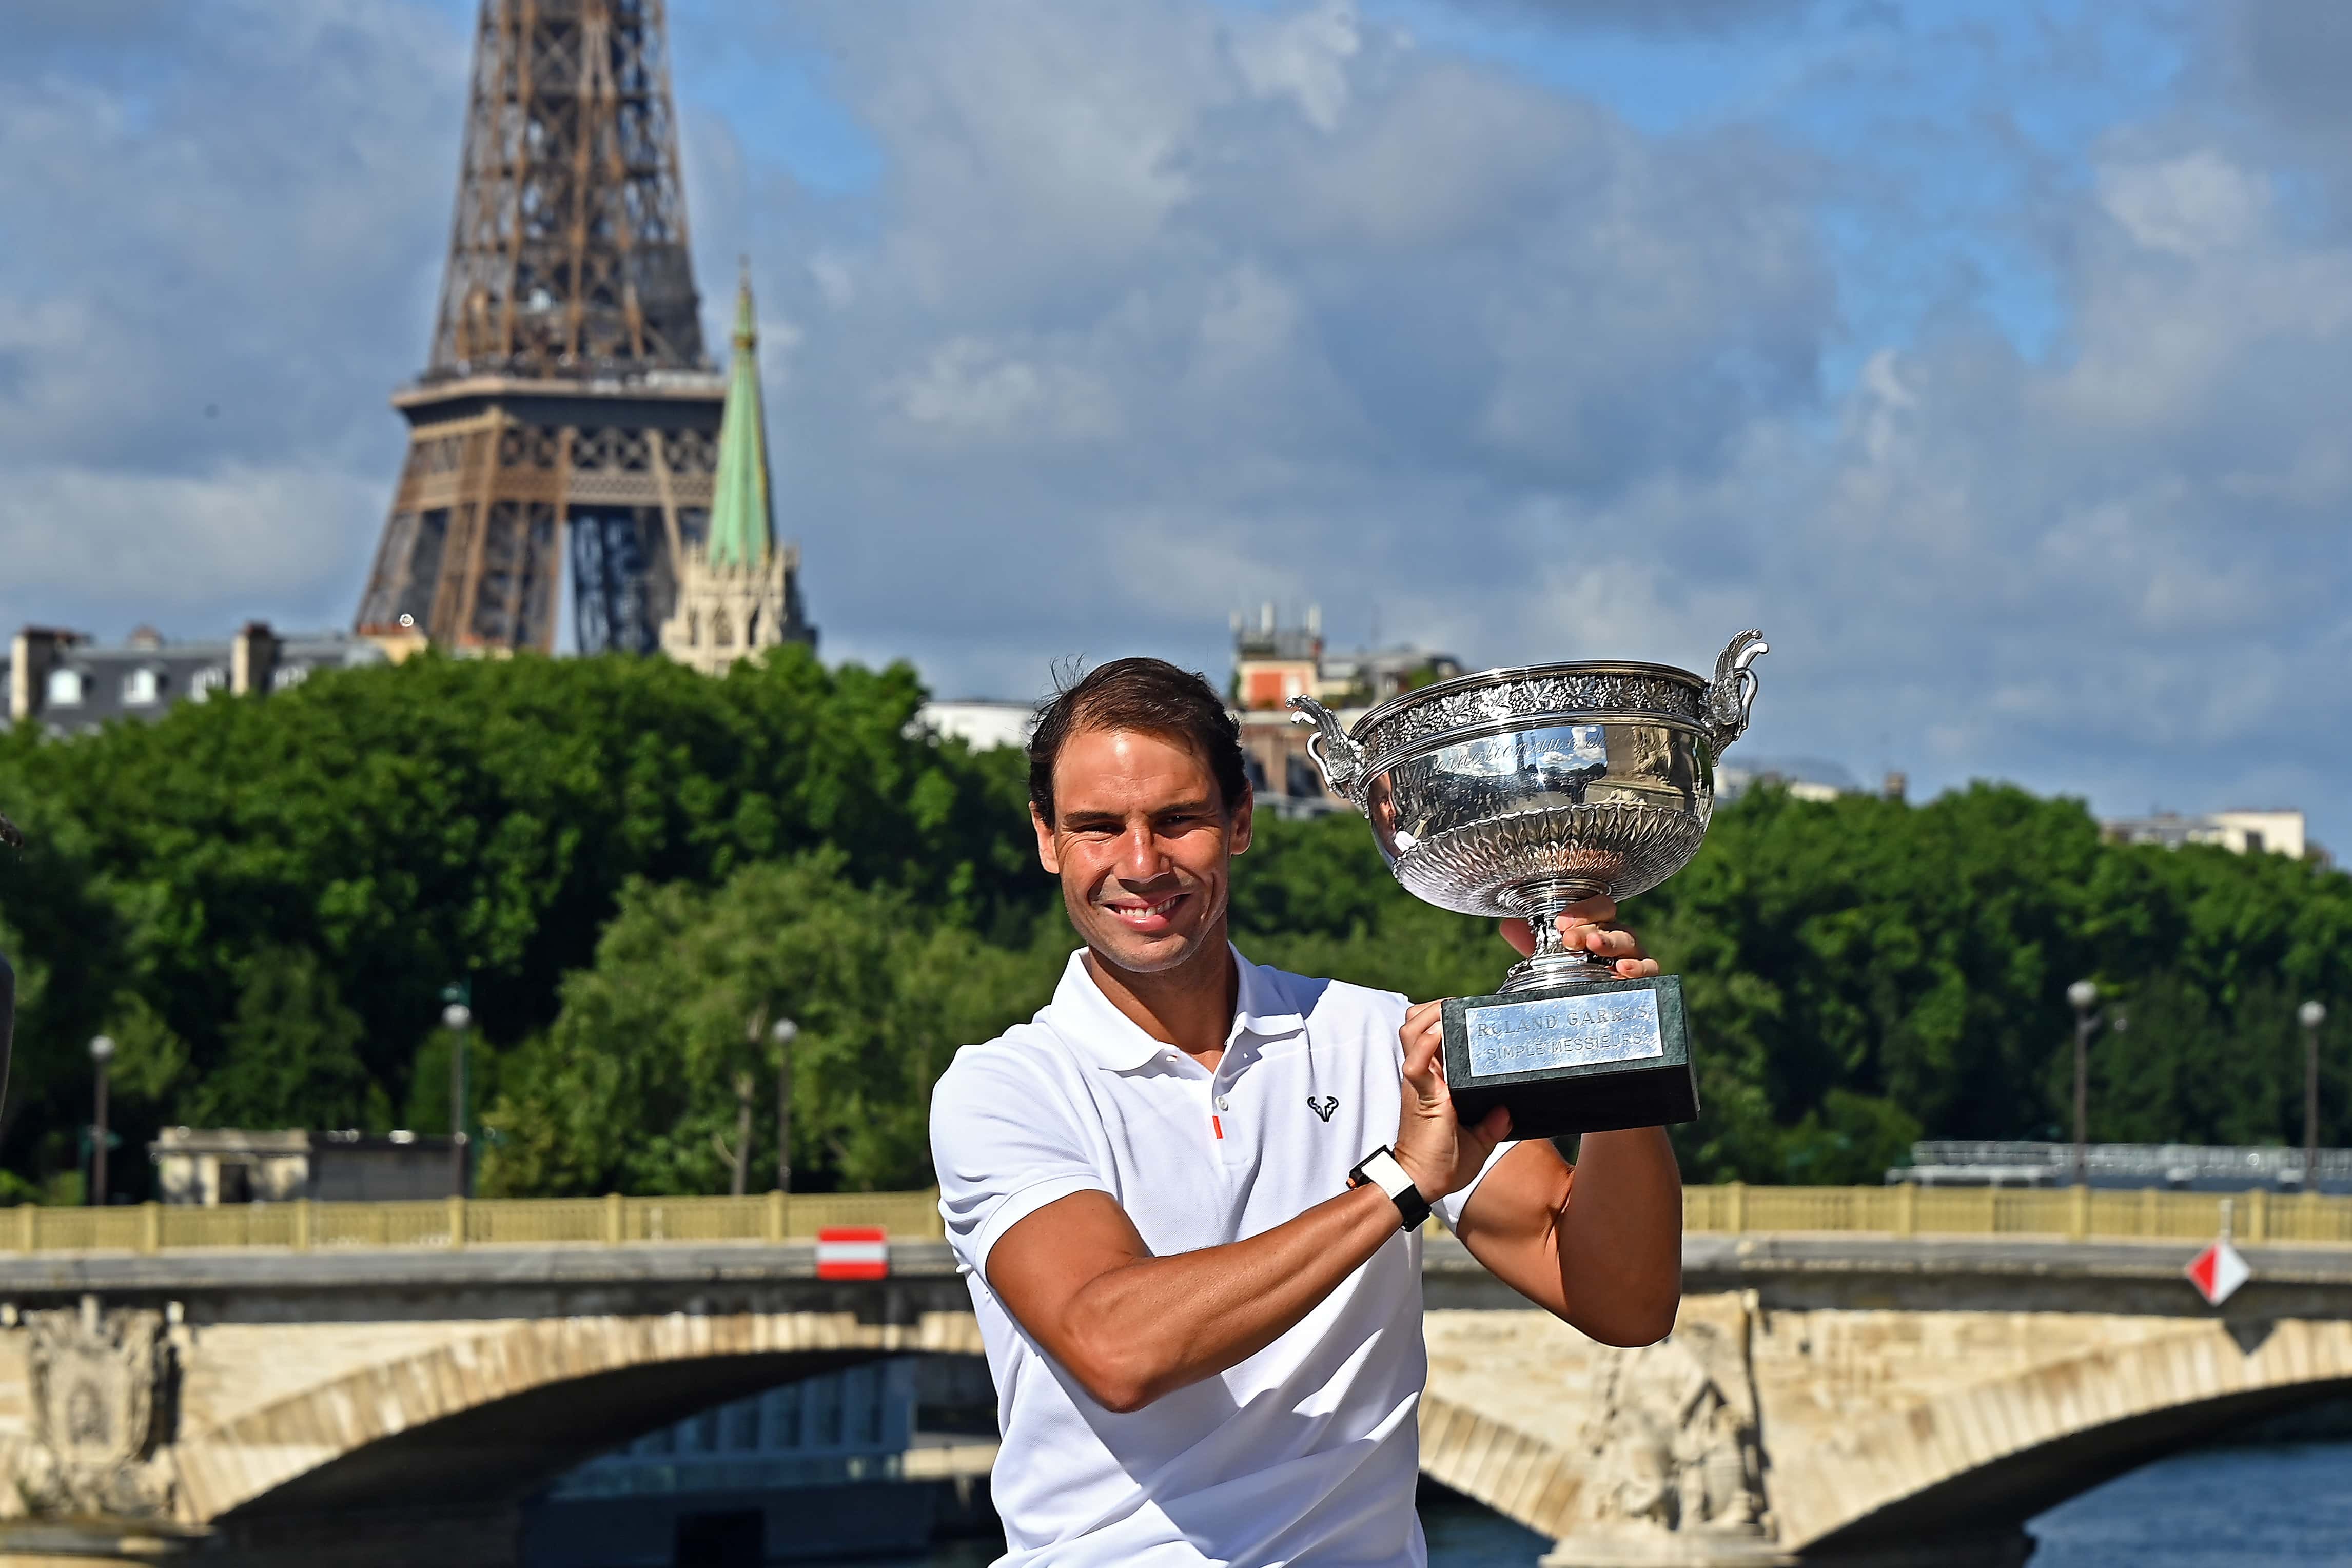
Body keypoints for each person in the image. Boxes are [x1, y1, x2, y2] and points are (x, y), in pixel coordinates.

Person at [930, 657, 1683, 1567]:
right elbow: (1117, 1346)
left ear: (1240, 821)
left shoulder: (1374, 1037)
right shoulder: (1005, 1087)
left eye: (1178, 821)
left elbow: (1625, 1300)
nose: (1140, 864)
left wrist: (1608, 1057)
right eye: (1099, 828)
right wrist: (1399, 1186)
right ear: (1047, 840)